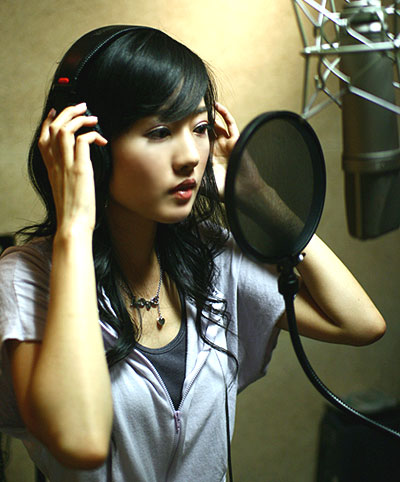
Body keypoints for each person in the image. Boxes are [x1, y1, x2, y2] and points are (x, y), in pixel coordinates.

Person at [0, 26, 386, 482]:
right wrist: (74, 229)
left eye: (200, 128)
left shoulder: (210, 256)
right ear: (89, 147)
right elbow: (79, 442)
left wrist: (257, 195)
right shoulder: (26, 277)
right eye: (160, 131)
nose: (190, 156)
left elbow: (359, 323)